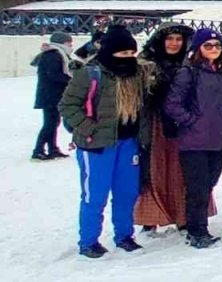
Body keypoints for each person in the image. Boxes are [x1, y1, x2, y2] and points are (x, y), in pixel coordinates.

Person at [58, 25, 153, 258]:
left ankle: (124, 236)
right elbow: (67, 105)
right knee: (95, 194)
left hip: (128, 142)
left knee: (126, 192)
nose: (128, 58)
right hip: (96, 145)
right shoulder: (90, 73)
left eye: (131, 54)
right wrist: (89, 129)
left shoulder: (138, 74)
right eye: (123, 54)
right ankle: (89, 241)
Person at [135, 23, 214, 234]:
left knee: (183, 171)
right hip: (155, 124)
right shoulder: (146, 64)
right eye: (170, 39)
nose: (174, 43)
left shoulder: (193, 63)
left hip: (184, 124)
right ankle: (151, 217)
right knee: (154, 169)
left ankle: (184, 215)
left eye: (178, 40)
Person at [165, 28, 222, 248]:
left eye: (217, 46)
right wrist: (192, 121)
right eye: (208, 46)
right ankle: (196, 230)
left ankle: (197, 227)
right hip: (194, 140)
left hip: (218, 138)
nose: (213, 50)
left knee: (209, 184)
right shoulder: (189, 72)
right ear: (198, 48)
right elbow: (172, 104)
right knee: (197, 188)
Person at [32, 31, 79, 161]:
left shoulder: (58, 54)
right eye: (69, 43)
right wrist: (72, 80)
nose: (71, 46)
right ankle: (38, 150)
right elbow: (54, 75)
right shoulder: (52, 55)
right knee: (50, 124)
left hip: (53, 95)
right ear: (62, 43)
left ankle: (53, 149)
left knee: (54, 122)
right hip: (50, 95)